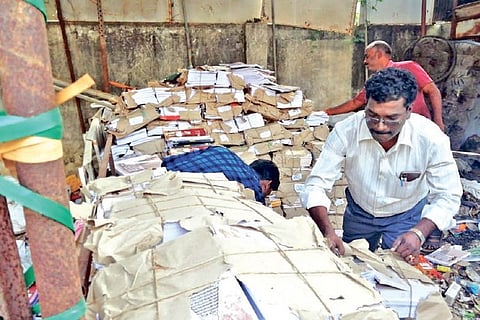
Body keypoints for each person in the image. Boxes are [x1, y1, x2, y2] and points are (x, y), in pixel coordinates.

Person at [300, 68, 462, 264]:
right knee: (353, 265)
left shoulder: (431, 138)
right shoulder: (346, 131)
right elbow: (316, 184)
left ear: (409, 111)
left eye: (391, 118)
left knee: (398, 272)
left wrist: (418, 233)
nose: (380, 126)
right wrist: (327, 231)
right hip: (359, 213)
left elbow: (448, 195)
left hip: (406, 215)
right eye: (372, 115)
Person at [324, 40, 445, 132]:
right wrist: (324, 113)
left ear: (379, 54)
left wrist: (438, 120)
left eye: (367, 56)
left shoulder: (409, 67)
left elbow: (433, 91)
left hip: (418, 126)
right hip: (391, 129)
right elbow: (356, 102)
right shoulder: (375, 80)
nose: (364, 61)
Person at [161, 146, 280, 204]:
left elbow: (167, 162)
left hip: (158, 176)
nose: (264, 195)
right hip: (173, 194)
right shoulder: (253, 189)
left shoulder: (223, 151)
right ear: (267, 184)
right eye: (267, 193)